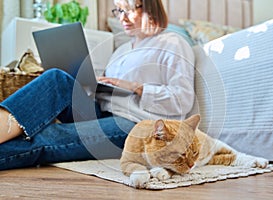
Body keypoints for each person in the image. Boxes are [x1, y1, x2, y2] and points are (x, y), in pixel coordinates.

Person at [0, 0, 195, 170]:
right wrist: (94, 84)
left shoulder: (173, 43)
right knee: (56, 79)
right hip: (101, 111)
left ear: (149, 7)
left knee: (48, 135)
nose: (122, 18)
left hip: (134, 123)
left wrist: (136, 87)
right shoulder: (122, 50)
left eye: (127, 9)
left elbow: (183, 99)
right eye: (118, 11)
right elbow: (111, 90)